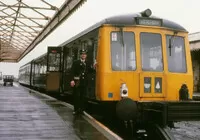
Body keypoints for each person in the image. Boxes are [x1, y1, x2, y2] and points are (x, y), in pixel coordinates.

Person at [70, 49, 97, 115]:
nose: (83, 55)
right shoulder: (76, 62)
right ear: (80, 55)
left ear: (86, 55)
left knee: (83, 96)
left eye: (84, 54)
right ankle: (76, 110)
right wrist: (72, 80)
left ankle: (81, 110)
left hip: (84, 82)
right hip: (77, 82)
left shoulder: (88, 63)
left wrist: (94, 66)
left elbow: (91, 71)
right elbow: (72, 72)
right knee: (76, 96)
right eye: (82, 54)